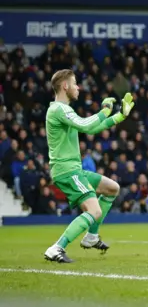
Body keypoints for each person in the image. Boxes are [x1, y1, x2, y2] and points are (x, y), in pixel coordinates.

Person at [44, 69, 133, 263]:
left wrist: (119, 116)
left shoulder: (63, 110)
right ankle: (56, 248)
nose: (78, 87)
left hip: (73, 169)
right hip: (67, 171)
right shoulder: (59, 109)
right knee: (94, 211)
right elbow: (86, 125)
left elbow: (91, 128)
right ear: (65, 86)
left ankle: (91, 237)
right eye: (75, 83)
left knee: (112, 189)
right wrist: (104, 111)